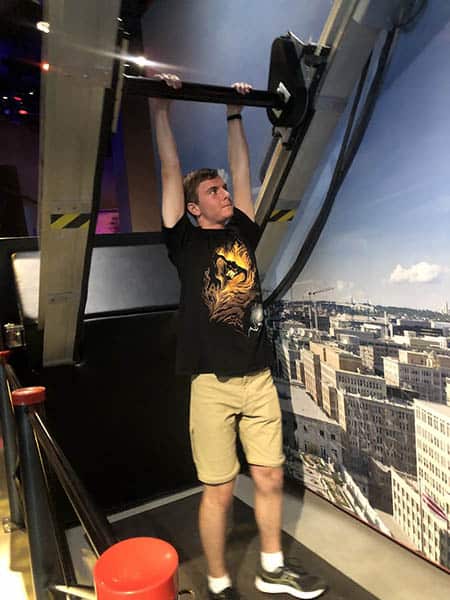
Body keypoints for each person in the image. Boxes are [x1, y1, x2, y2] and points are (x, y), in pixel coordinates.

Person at [151, 73, 326, 600]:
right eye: (213, 191)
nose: (225, 194)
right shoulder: (183, 241)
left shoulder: (241, 230)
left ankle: (272, 569)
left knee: (270, 479)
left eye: (224, 189)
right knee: (219, 492)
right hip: (212, 384)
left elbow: (246, 168)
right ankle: (220, 580)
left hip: (257, 379)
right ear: (193, 207)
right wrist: (160, 108)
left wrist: (234, 112)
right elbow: (171, 169)